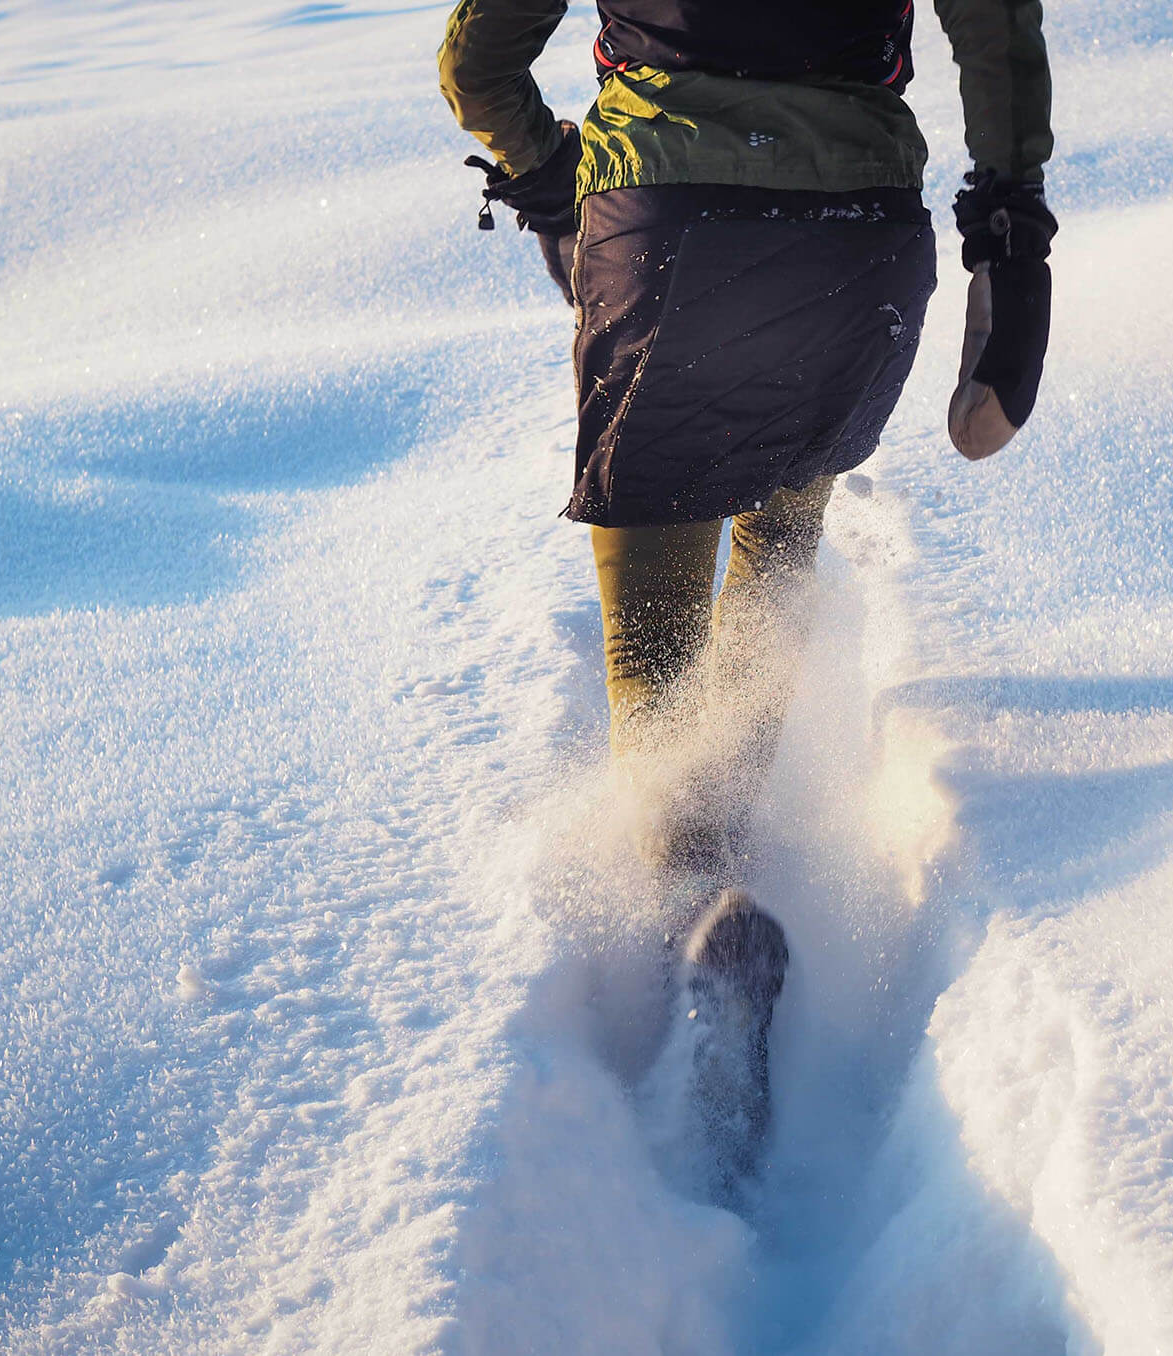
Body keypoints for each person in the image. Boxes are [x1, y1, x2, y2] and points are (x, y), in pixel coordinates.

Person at [438, 0, 1055, 1196]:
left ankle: (687, 916)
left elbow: (478, 62)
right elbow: (993, 26)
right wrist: (1009, 219)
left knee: (653, 622)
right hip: (856, 246)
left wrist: (554, 175)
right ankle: (724, 839)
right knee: (778, 544)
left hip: (665, 234)